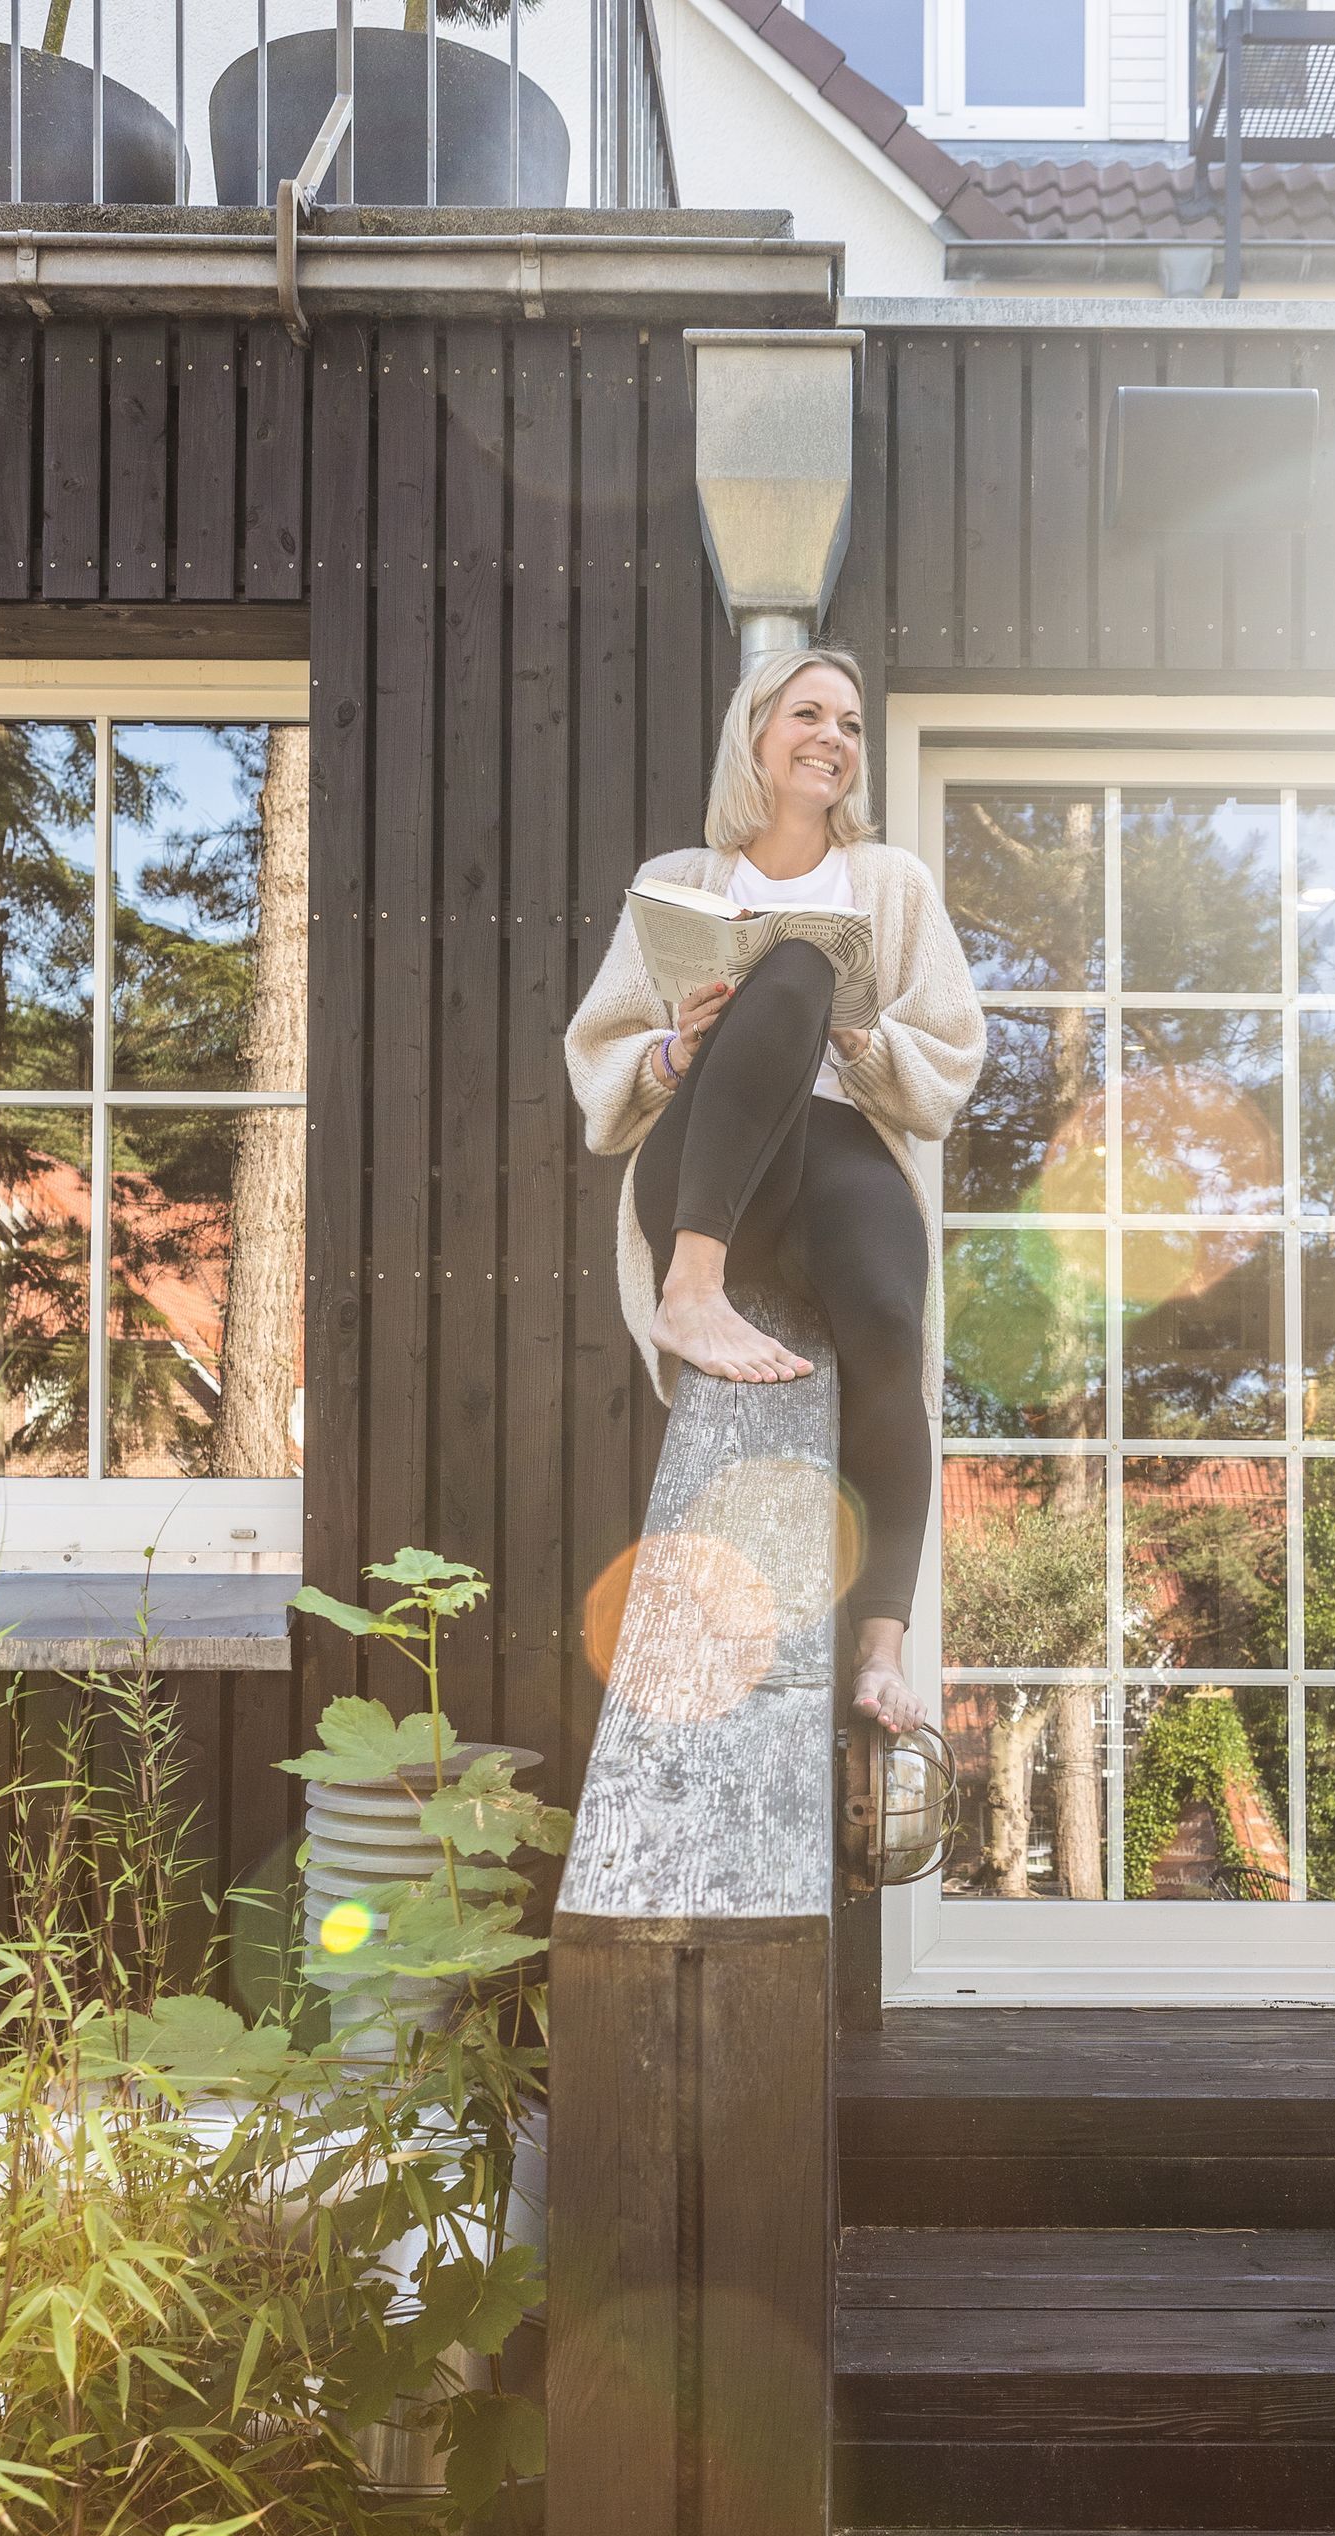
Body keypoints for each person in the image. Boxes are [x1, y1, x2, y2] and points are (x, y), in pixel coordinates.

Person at [565, 645, 984, 1737]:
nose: (832, 739)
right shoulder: (681, 882)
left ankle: (884, 1654)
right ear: (755, 736)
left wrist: (860, 1035)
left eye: (849, 724)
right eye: (809, 715)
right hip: (712, 1169)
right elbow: (599, 1055)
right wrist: (673, 1048)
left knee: (892, 1324)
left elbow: (949, 1051)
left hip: (842, 1146)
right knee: (787, 966)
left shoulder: (891, 884)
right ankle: (692, 1288)